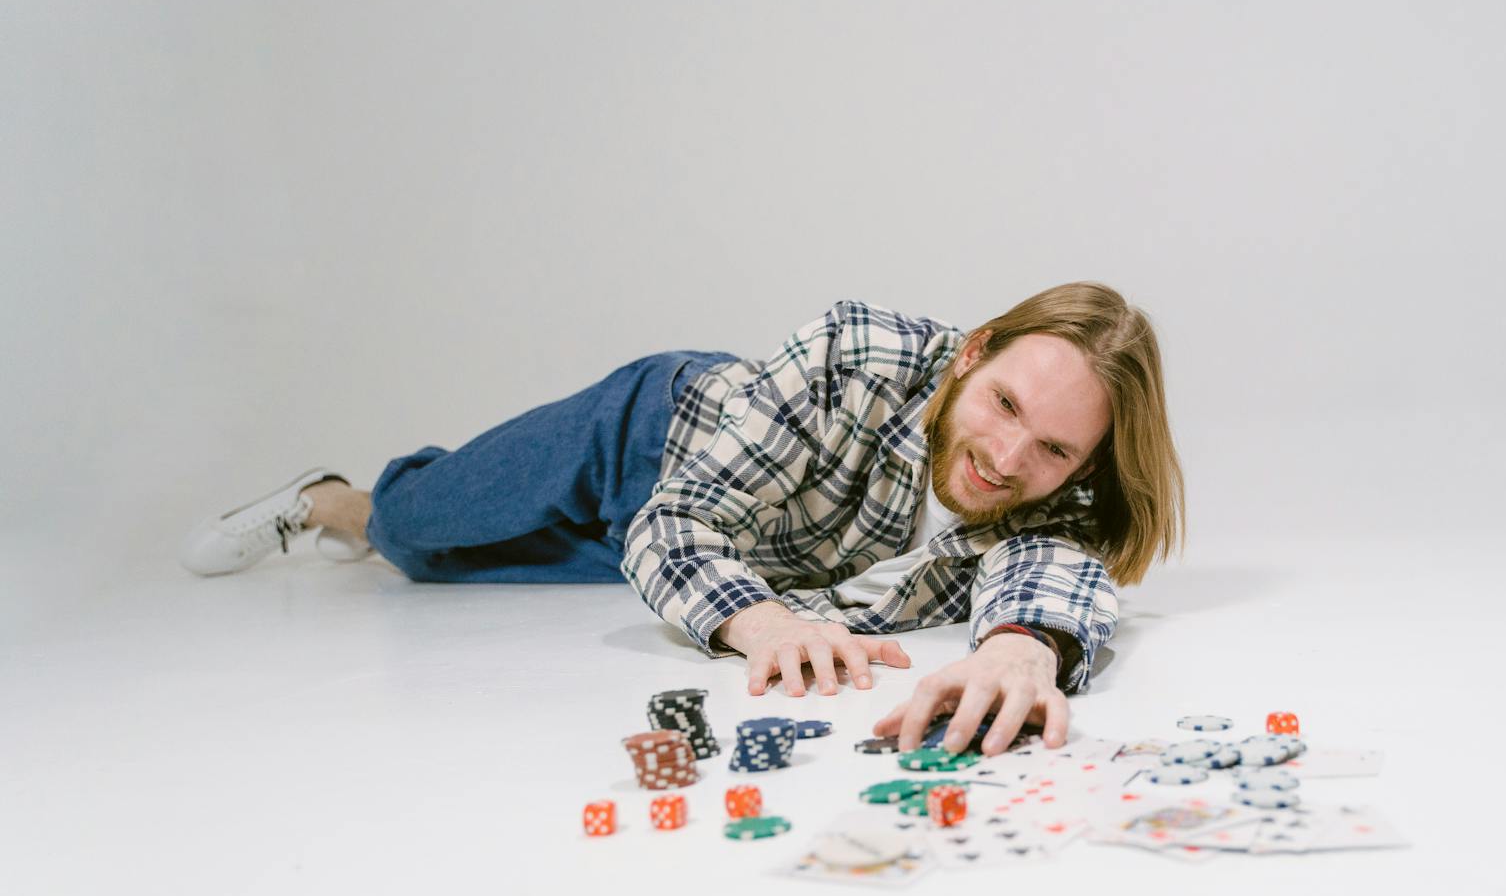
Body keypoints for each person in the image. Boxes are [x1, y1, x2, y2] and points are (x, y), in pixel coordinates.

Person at [179, 281, 1185, 756]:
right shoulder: (858, 350)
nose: (1008, 459)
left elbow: (1047, 577)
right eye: (1004, 406)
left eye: (1052, 448)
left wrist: (1022, 652)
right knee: (410, 531)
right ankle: (330, 498)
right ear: (970, 354)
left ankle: (377, 521)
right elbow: (671, 526)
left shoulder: (1059, 494)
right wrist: (765, 623)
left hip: (744, 547)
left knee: (446, 577)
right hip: (644, 441)